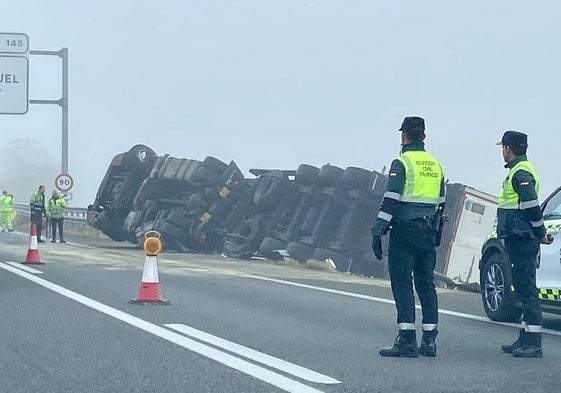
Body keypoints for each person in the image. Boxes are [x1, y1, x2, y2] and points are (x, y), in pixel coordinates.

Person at [371, 116, 445, 357]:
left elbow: (391, 199)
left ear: (403, 136)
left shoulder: (402, 162)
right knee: (427, 286)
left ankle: (407, 340)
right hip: (428, 232)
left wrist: (378, 229)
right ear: (424, 136)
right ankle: (430, 342)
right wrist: (436, 234)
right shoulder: (436, 164)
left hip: (405, 230)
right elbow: (442, 203)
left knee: (403, 284)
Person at [496, 130, 553, 358]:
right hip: (517, 236)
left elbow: (531, 206)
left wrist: (540, 233)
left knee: (527, 290)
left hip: (522, 238)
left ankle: (534, 343)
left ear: (508, 148)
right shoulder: (519, 171)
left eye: (503, 147)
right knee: (521, 288)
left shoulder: (521, 172)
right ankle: (525, 336)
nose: (503, 151)